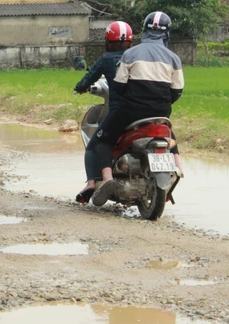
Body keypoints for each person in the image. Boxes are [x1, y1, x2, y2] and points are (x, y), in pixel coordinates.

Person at [89, 11, 185, 195]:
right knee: (168, 133)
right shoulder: (174, 58)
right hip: (161, 110)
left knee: (102, 139)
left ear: (145, 30)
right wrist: (161, 103)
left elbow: (119, 85)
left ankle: (108, 179)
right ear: (167, 33)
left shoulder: (131, 53)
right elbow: (177, 90)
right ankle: (178, 164)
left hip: (130, 111)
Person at [73, 21, 133, 203]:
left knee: (97, 142)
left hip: (119, 111)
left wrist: (79, 87)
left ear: (107, 41)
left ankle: (93, 182)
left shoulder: (107, 59)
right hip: (143, 107)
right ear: (131, 41)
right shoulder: (137, 56)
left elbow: (88, 79)